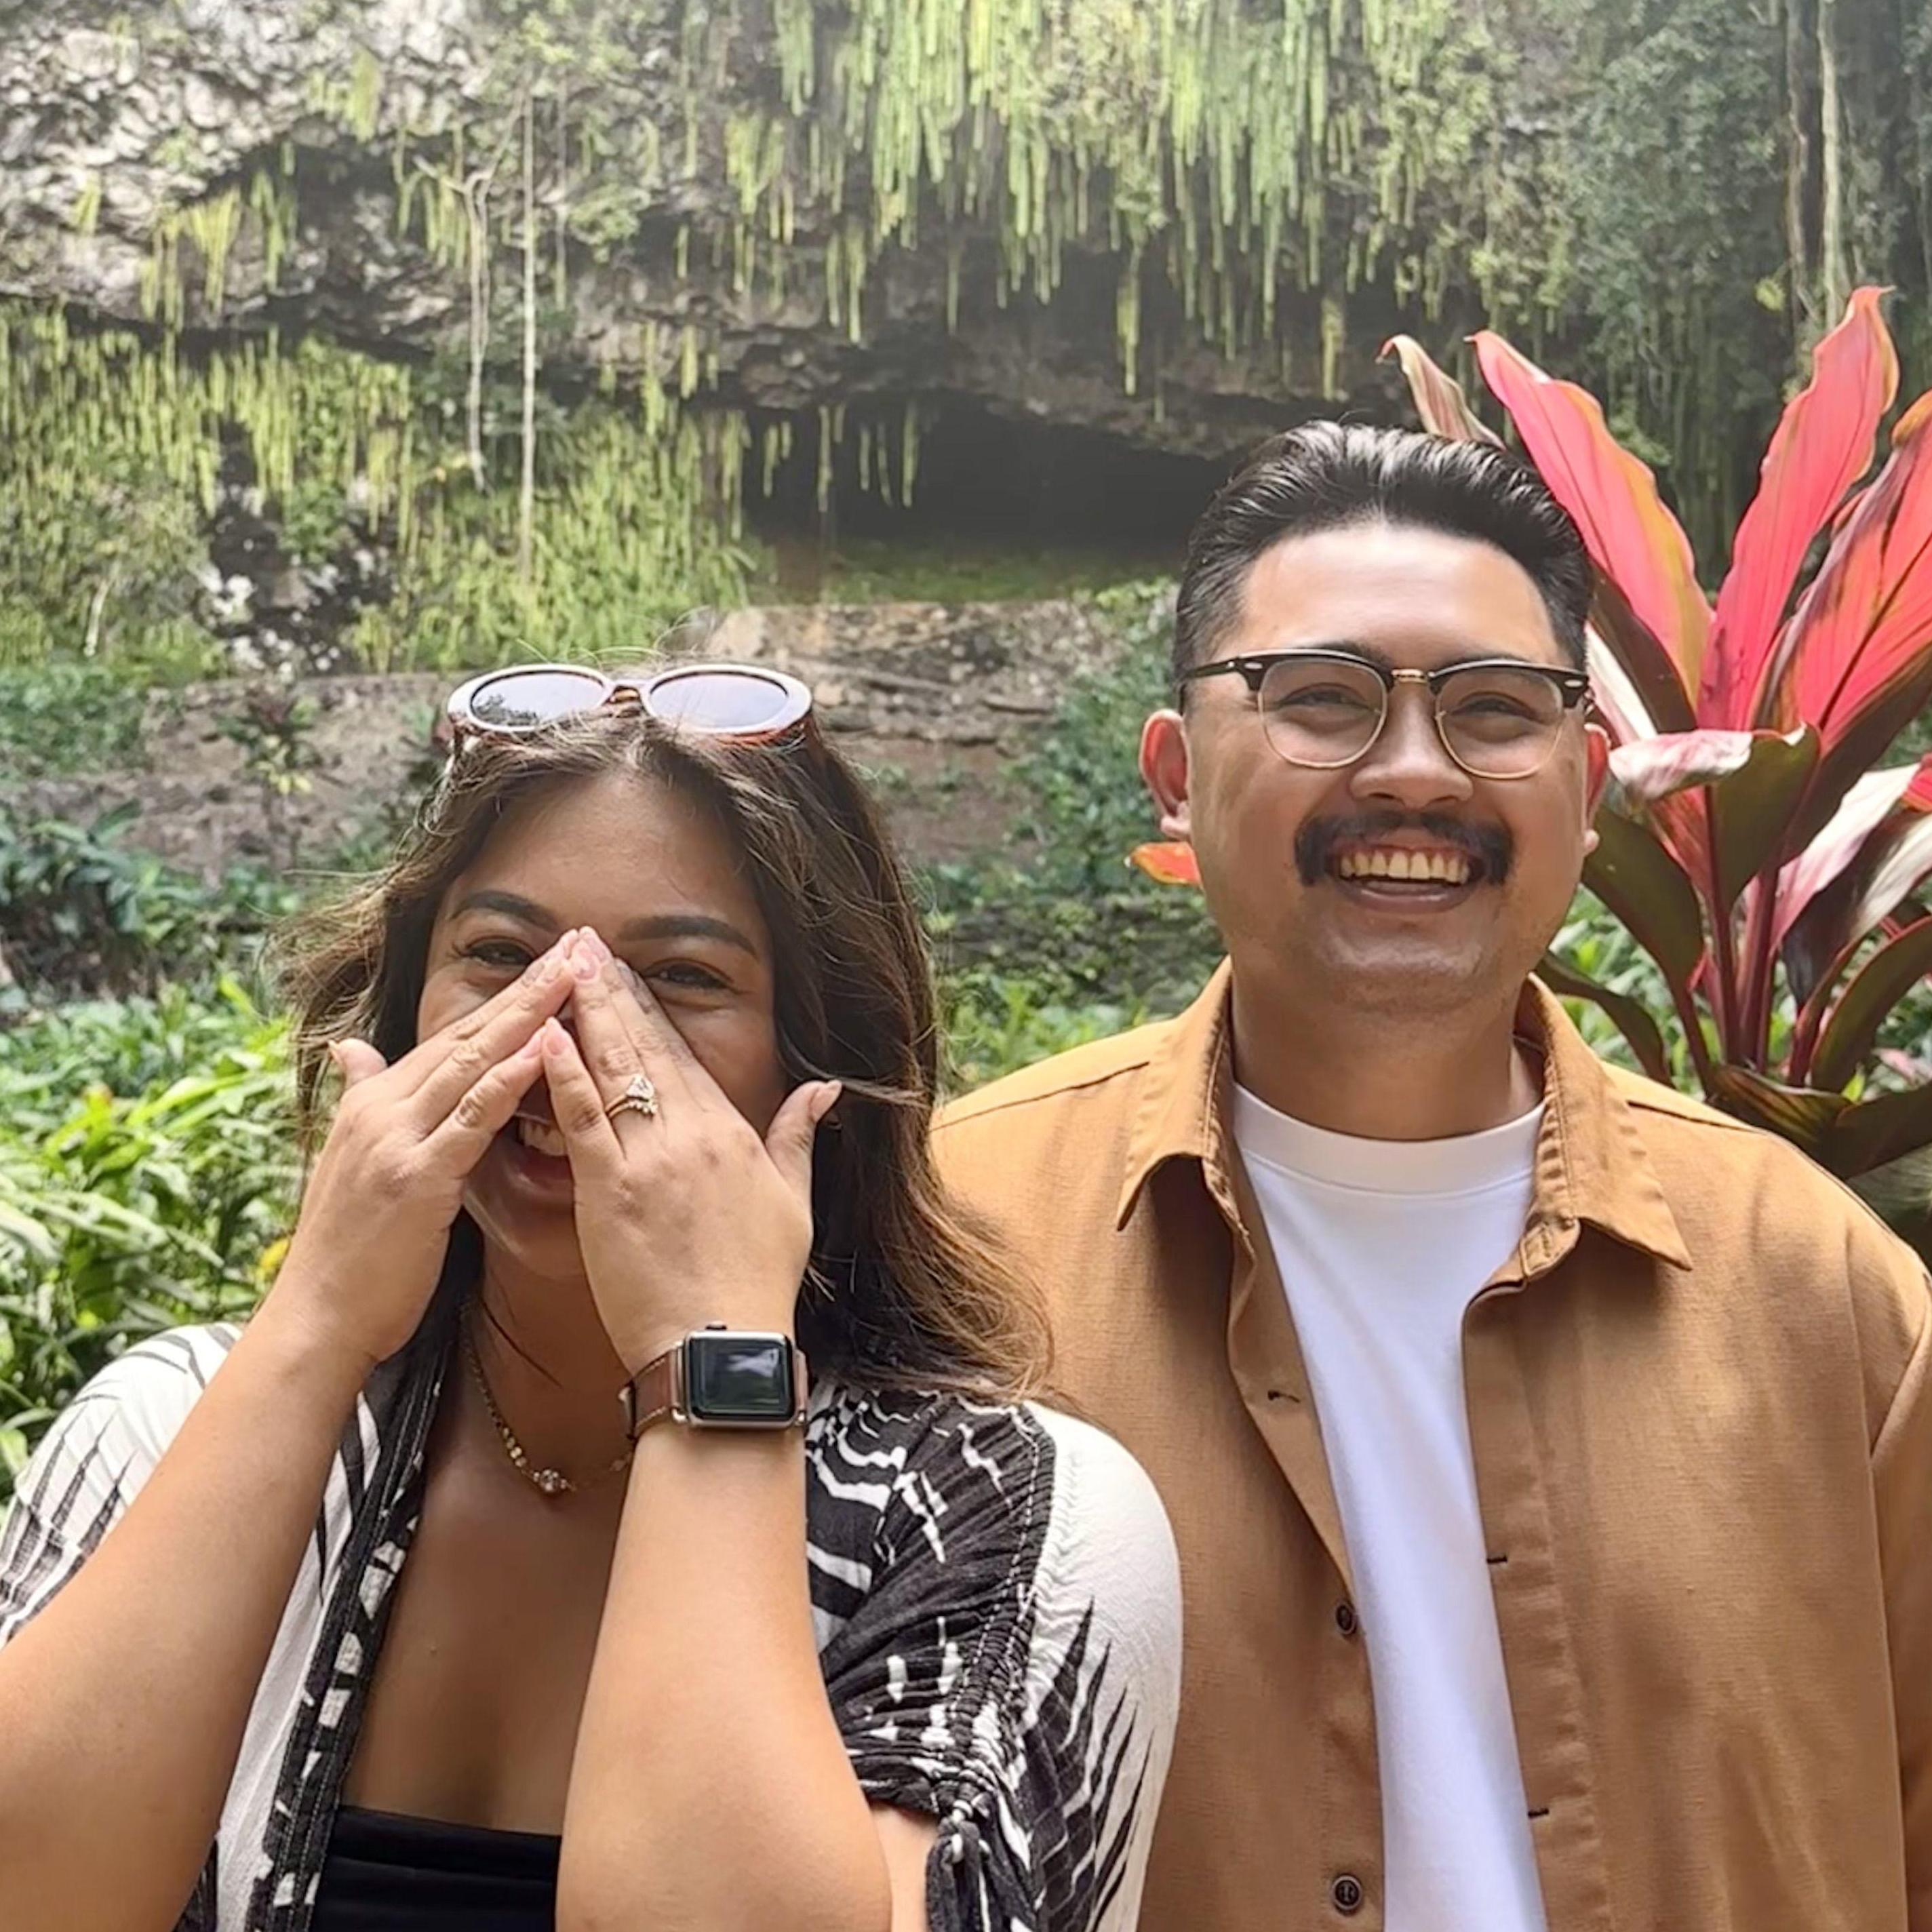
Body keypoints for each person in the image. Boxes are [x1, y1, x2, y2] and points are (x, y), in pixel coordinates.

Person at [0, 658, 1181, 1932]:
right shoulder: (164, 1429)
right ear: (401, 1013)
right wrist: (315, 1323)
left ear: (821, 1060)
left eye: (681, 976)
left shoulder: (996, 1516)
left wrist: (713, 1356)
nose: (562, 1035)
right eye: (499, 955)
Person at [936, 424, 1932, 1932]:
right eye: (1322, 699)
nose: (1413, 770)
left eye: (1494, 709)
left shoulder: (1820, 1288)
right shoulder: (956, 1245)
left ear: (1584, 787)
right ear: (1174, 775)